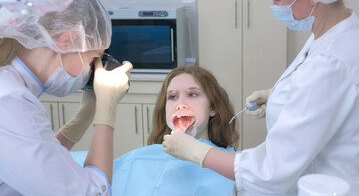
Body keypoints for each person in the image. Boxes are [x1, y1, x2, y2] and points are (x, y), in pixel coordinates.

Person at [162, 0, 359, 195]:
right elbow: (320, 96)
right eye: (172, 97)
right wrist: (277, 95)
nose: (275, 6)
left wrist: (198, 152)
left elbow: (270, 171)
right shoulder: (332, 33)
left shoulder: (331, 61)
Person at [0, 0, 133, 195]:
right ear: (67, 41)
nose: (90, 72)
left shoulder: (10, 87)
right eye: (93, 60)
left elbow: (37, 166)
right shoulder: (10, 101)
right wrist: (106, 113)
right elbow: (91, 192)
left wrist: (84, 117)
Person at [71, 65, 239, 195]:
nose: (180, 103)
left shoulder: (231, 165)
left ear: (213, 108)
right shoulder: (140, 158)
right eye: (172, 97)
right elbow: (79, 175)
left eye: (192, 94)